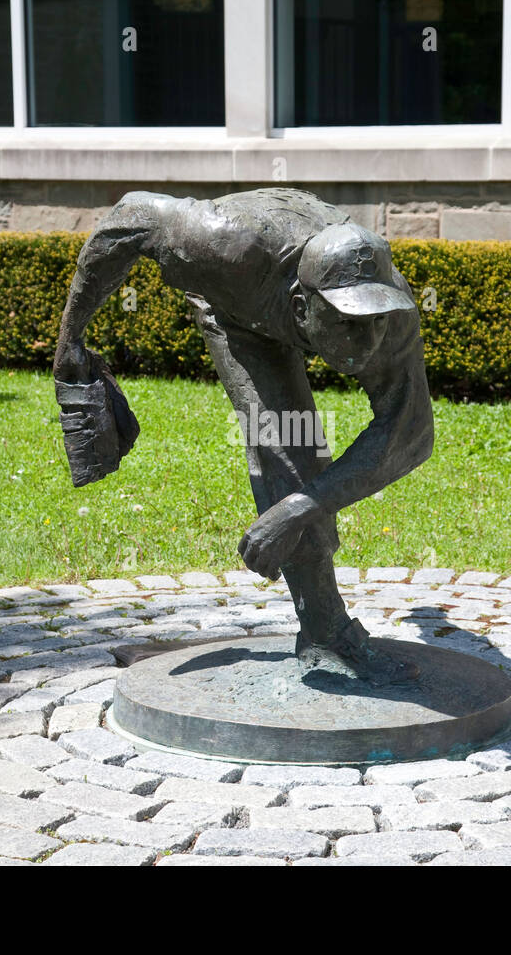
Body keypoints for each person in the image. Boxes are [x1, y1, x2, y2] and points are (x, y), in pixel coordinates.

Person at [52, 187, 433, 684]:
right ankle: (327, 631)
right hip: (240, 309)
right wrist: (70, 342)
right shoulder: (224, 243)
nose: (369, 341)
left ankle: (322, 628)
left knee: (300, 495)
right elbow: (131, 217)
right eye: (349, 325)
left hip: (275, 288)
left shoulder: (393, 319)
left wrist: (301, 507)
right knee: (289, 450)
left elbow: (409, 434)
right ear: (301, 309)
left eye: (375, 322)